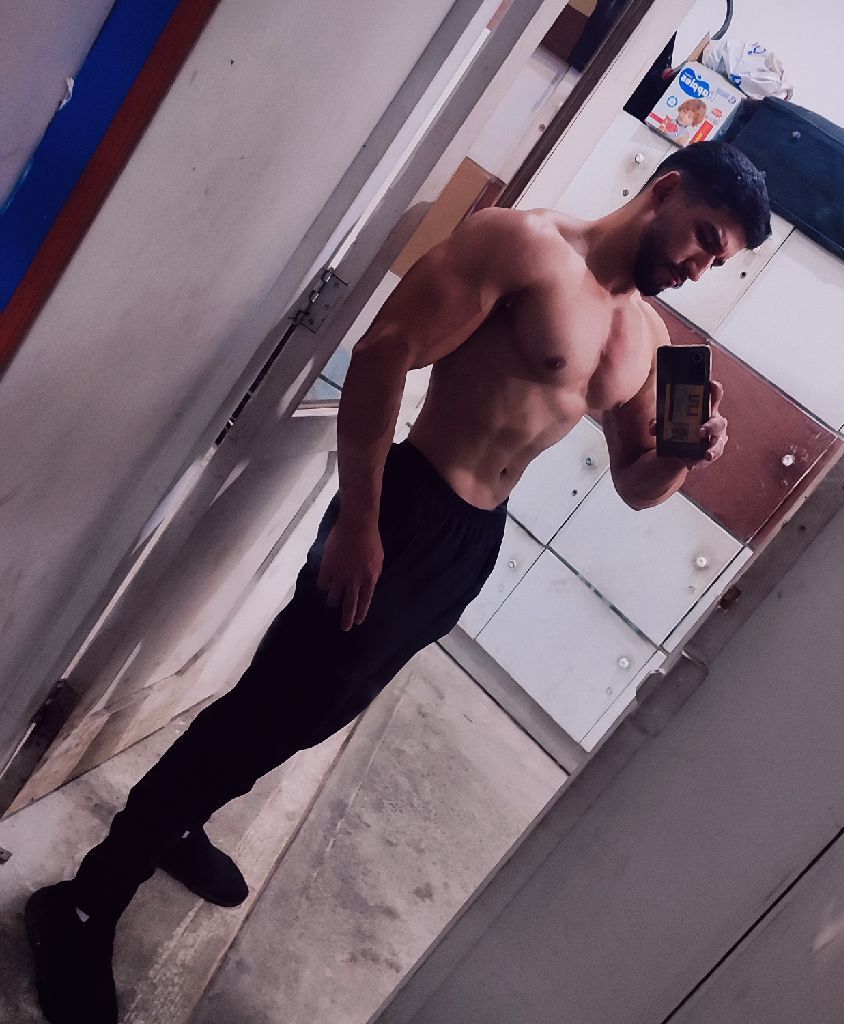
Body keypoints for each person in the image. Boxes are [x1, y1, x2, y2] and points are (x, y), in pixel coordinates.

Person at [25, 139, 770, 1024]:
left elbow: (637, 486)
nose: (698, 267)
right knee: (266, 708)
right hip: (406, 503)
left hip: (471, 543)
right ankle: (83, 901)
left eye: (718, 261)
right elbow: (386, 351)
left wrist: (688, 455)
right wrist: (360, 521)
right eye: (704, 238)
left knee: (309, 715)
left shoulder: (646, 337)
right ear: (668, 189)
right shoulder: (522, 244)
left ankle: (180, 823)